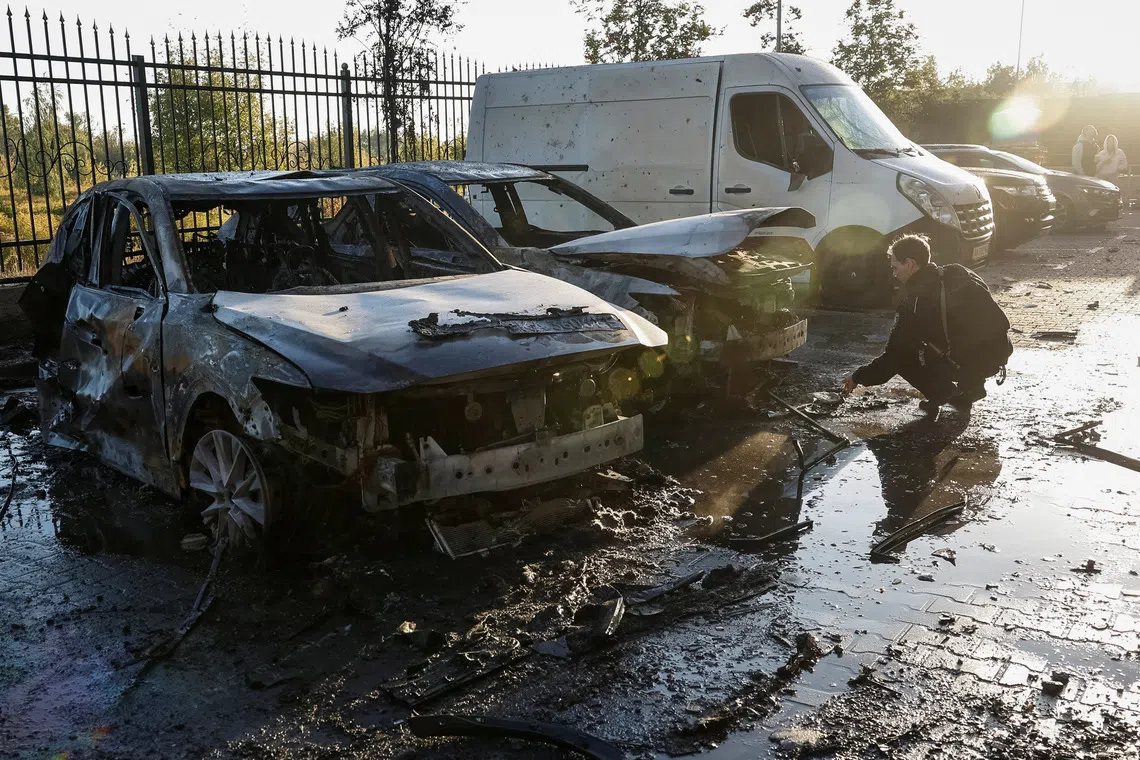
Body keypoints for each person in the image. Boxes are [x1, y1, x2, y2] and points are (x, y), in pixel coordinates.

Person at [842, 235, 1013, 415]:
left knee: (903, 357)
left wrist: (857, 377)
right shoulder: (956, 274)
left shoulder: (917, 299)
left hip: (976, 362)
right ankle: (971, 388)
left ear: (910, 263)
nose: (894, 274)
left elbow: (894, 355)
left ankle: (941, 391)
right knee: (951, 339)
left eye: (895, 267)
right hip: (998, 354)